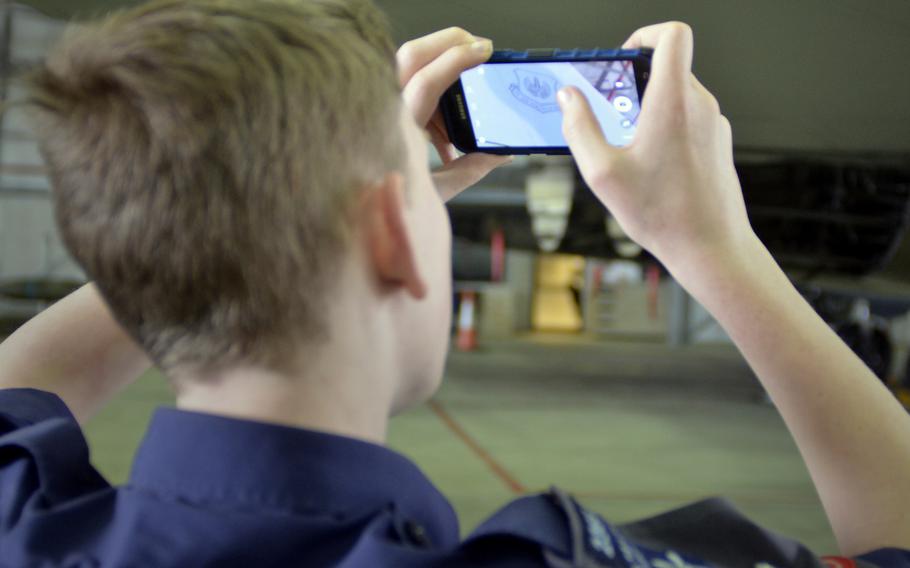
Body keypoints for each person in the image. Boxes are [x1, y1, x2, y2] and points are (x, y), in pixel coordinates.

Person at [0, 0, 907, 566]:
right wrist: (718, 246)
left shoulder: (27, 528)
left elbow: (20, 385)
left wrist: (245, 207)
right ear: (394, 233)